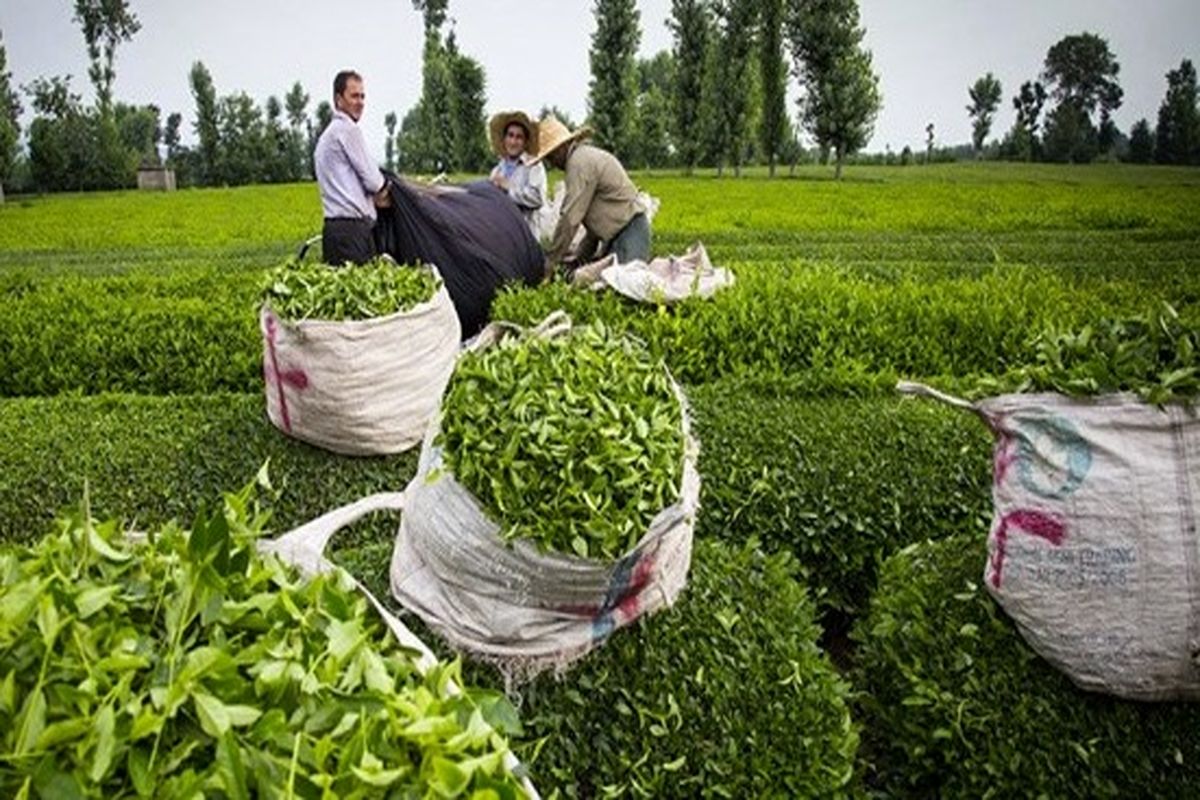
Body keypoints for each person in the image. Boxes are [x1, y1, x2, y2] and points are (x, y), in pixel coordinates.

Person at [532, 115, 651, 273]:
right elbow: (593, 230)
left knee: (621, 282)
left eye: (551, 156)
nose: (551, 162)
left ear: (562, 147)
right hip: (619, 235)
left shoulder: (578, 163)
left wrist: (551, 262)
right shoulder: (583, 158)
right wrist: (579, 258)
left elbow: (570, 219)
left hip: (629, 233)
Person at [313, 69, 390, 265]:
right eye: (354, 96)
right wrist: (387, 187)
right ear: (339, 100)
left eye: (362, 96)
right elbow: (374, 181)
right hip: (353, 231)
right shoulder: (348, 130)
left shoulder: (326, 138)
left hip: (333, 231)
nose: (360, 102)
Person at [488, 111, 550, 239]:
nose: (513, 141)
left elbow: (537, 198)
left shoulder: (533, 166)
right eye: (510, 135)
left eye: (519, 137)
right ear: (504, 139)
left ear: (525, 142)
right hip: (502, 235)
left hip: (526, 235)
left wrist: (509, 187)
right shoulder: (497, 171)